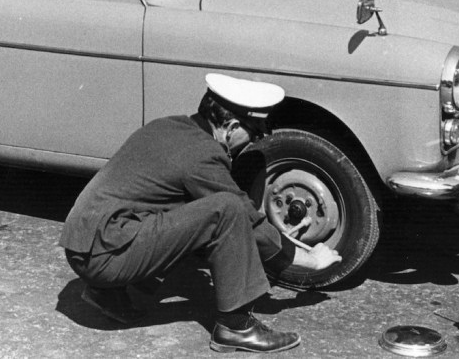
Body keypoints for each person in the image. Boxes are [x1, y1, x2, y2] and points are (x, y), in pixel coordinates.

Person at [58, 73, 341, 353]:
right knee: (227, 210)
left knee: (191, 208)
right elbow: (248, 220)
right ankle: (235, 327)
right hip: (105, 256)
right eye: (253, 133)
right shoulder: (203, 154)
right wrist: (309, 260)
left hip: (86, 244)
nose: (253, 141)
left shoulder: (171, 127)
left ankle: (110, 295)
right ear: (230, 128)